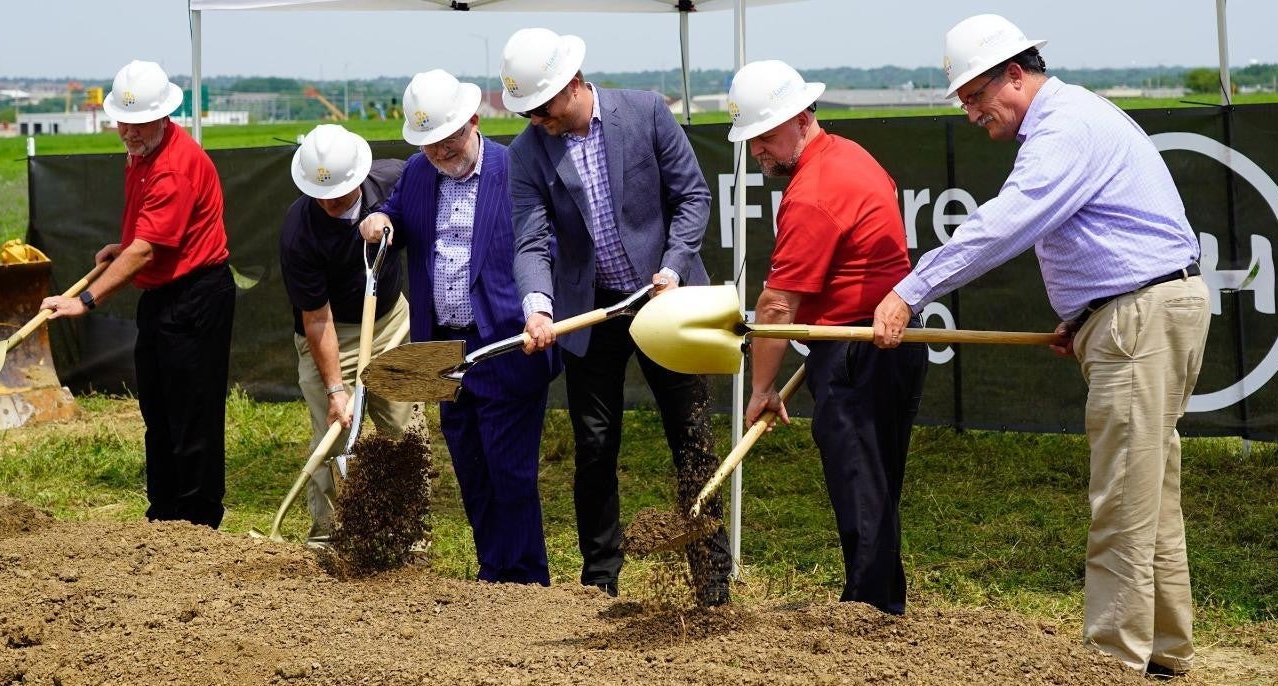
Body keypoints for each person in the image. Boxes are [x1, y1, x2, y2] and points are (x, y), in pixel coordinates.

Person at [871, 15, 1209, 678]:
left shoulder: (1062, 129)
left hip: (1140, 316)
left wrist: (913, 289)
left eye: (975, 96)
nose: (971, 113)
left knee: (1120, 498)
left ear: (1015, 75)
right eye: (964, 100)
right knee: (1147, 495)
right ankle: (1165, 655)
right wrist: (1086, 318)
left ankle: (1111, 663)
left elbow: (1008, 222)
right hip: (1140, 313)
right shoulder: (1072, 119)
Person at [501, 27, 730, 605]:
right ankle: (600, 577)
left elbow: (693, 196)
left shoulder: (647, 112)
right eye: (526, 110)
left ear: (573, 83)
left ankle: (711, 575)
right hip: (592, 311)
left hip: (666, 303)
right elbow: (530, 240)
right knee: (596, 443)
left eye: (542, 106)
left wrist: (674, 266)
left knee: (692, 435)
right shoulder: (528, 151)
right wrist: (538, 305)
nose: (536, 119)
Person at [728, 60, 929, 614]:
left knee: (862, 482)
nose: (759, 152)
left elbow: (777, 304)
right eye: (750, 141)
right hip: (882, 341)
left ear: (800, 118)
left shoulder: (813, 192)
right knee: (877, 482)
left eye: (765, 137)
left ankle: (868, 610)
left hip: (857, 349)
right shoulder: (851, 154)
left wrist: (762, 389)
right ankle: (881, 601)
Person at [358, 70, 559, 584]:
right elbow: (393, 214)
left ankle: (526, 580)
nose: (439, 156)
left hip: (507, 342)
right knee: (471, 467)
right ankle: (493, 571)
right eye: (428, 147)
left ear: (473, 120)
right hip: (442, 350)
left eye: (446, 144)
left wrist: (541, 310)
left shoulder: (514, 169)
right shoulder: (418, 173)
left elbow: (545, 246)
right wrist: (380, 222)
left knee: (510, 470)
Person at [41, 60, 233, 528]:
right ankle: (163, 516)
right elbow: (144, 241)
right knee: (159, 409)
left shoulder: (174, 167)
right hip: (164, 298)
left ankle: (198, 521)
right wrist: (122, 247)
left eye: (139, 122)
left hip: (196, 297)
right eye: (123, 122)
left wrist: (84, 301)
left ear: (164, 116)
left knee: (193, 413)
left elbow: (147, 252)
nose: (128, 131)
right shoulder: (142, 154)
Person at [279, 123, 416, 546]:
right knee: (334, 429)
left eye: (338, 191)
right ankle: (329, 535)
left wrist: (388, 217)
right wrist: (338, 389)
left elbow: (429, 182)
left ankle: (407, 534)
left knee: (402, 427)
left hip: (389, 318)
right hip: (332, 329)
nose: (329, 201)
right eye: (320, 193)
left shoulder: (393, 179)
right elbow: (316, 320)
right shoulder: (299, 229)